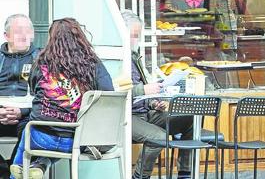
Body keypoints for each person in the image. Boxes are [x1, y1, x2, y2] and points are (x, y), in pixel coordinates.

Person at [10, 18, 114, 179]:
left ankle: (21, 166)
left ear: (51, 39)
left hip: (40, 138)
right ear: (81, 37)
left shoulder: (41, 63)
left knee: (28, 131)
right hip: (77, 139)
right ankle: (38, 165)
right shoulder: (93, 64)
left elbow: (33, 89)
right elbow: (108, 94)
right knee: (60, 138)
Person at [122, 10, 193, 179]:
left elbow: (142, 93)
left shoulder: (134, 57)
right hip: (126, 116)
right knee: (158, 137)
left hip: (145, 112)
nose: (136, 40)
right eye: (133, 35)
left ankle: (184, 172)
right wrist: (143, 90)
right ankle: (140, 177)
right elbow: (114, 89)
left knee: (189, 118)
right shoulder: (114, 59)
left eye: (137, 36)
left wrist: (153, 102)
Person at [0, 15, 39, 179]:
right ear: (6, 35)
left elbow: (49, 97)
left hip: (27, 114)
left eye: (28, 30)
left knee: (33, 132)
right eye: (17, 31)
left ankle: (15, 171)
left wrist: (21, 111)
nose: (24, 35)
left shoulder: (41, 58)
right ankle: (4, 171)